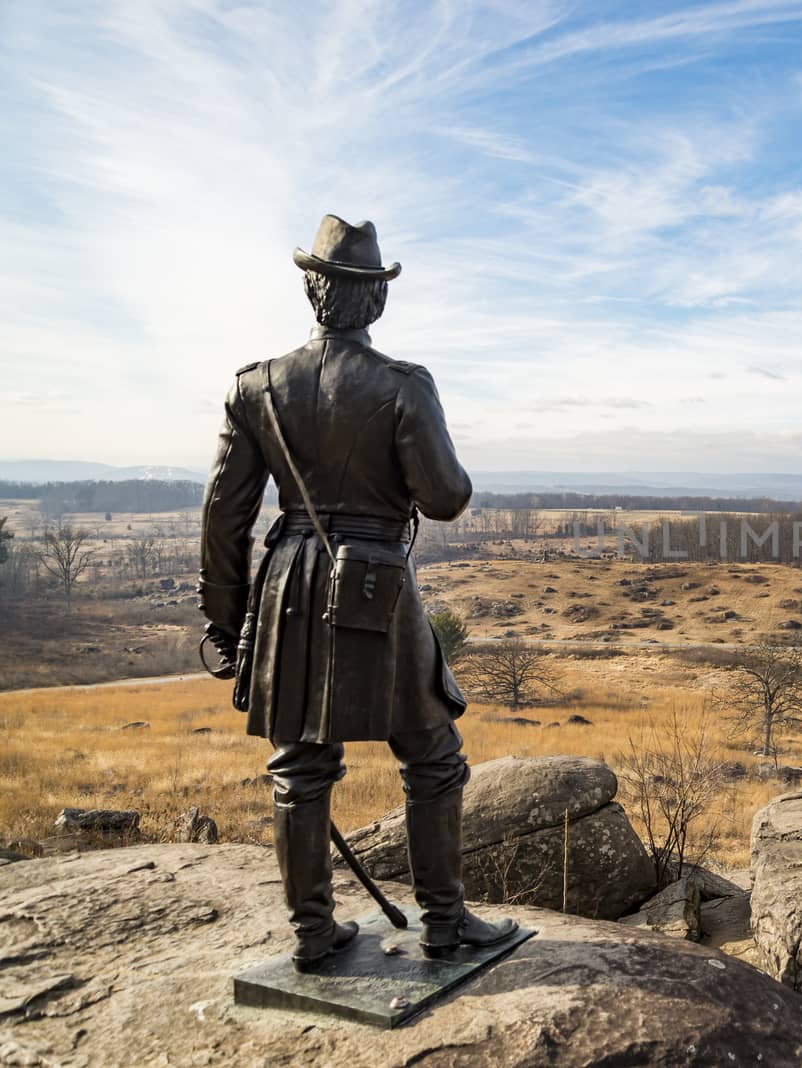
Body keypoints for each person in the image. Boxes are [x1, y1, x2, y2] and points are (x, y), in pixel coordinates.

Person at [199, 215, 514, 970]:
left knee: (300, 765)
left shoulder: (257, 387)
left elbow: (224, 514)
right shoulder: (404, 386)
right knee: (432, 754)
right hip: (374, 580)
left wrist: (230, 619)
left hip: (288, 584)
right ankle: (445, 921)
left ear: (314, 290)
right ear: (374, 301)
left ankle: (313, 935)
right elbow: (445, 497)